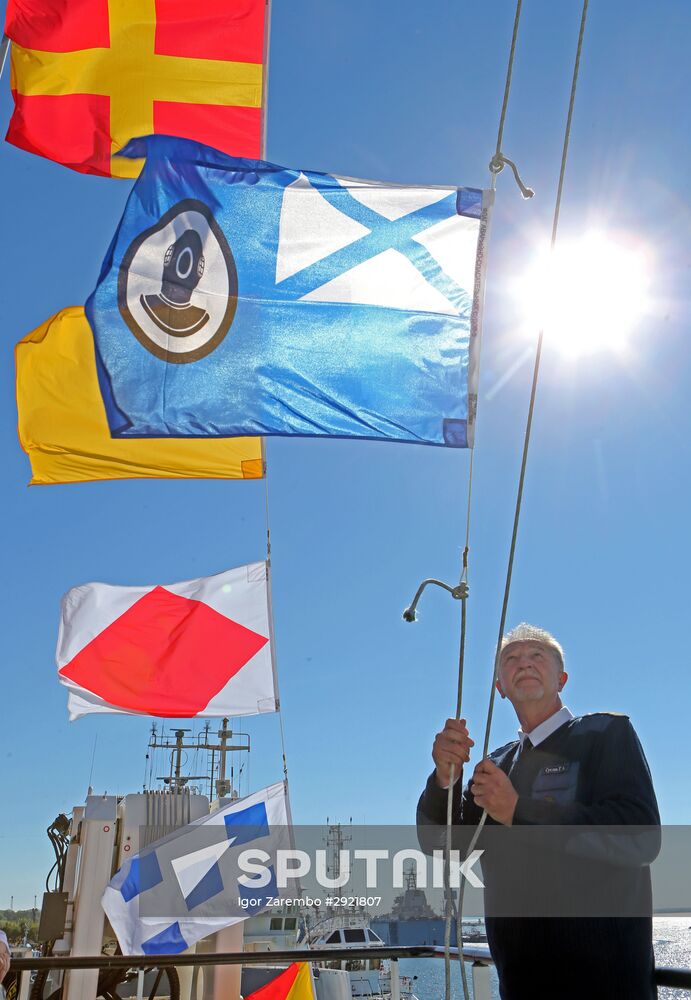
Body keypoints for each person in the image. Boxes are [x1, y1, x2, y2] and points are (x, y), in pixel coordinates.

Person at [417, 623, 661, 1000]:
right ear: (500, 686)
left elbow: (640, 839)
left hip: (607, 985)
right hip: (521, 986)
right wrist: (444, 779)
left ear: (561, 678)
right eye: (511, 659)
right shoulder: (493, 767)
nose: (524, 663)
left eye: (537, 655)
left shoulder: (606, 735)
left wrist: (518, 811)